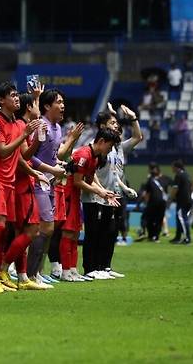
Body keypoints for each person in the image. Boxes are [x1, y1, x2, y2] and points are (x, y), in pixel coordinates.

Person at [0, 82, 41, 294]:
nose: (16, 98)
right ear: (1, 100)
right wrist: (24, 136)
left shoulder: (18, 124)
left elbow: (22, 157)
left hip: (10, 182)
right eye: (12, 95)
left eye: (16, 95)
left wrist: (34, 168)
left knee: (6, 231)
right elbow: (3, 152)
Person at [86, 103, 143, 279]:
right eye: (112, 123)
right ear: (102, 126)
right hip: (97, 195)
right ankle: (91, 269)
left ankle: (105, 268)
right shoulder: (95, 146)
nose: (117, 126)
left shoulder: (116, 147)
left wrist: (133, 118)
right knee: (94, 234)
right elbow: (91, 172)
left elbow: (137, 137)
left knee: (110, 233)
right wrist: (101, 190)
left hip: (113, 194)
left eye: (117, 123)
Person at [67, 128, 121, 280]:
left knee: (75, 232)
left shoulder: (95, 158)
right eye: (109, 147)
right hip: (66, 193)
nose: (110, 150)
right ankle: (63, 270)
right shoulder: (84, 154)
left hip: (75, 195)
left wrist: (104, 191)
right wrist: (100, 192)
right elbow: (77, 182)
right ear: (101, 141)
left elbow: (89, 181)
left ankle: (71, 270)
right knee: (66, 232)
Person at [142, 163, 169, 242]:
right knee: (155, 220)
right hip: (158, 203)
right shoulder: (162, 178)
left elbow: (147, 193)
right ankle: (154, 236)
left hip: (156, 203)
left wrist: (146, 203)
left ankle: (154, 236)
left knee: (154, 220)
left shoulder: (152, 179)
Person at [170, 159, 193, 244]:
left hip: (182, 200)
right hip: (188, 200)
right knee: (180, 219)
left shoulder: (178, 175)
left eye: (172, 167)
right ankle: (177, 237)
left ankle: (187, 238)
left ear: (176, 167)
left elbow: (175, 189)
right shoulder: (186, 175)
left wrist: (170, 199)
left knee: (182, 219)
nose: (171, 169)